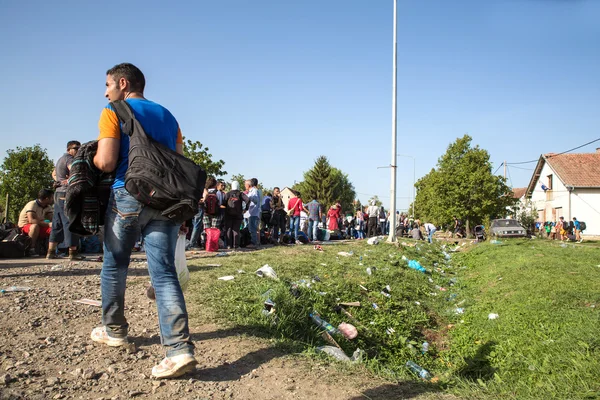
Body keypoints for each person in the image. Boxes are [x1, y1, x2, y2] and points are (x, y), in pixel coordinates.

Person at [91, 63, 196, 378]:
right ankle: (179, 351)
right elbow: (176, 160)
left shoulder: (113, 110)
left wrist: (91, 158)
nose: (106, 90)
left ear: (123, 83)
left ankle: (114, 330)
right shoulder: (169, 117)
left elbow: (107, 161)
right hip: (166, 201)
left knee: (115, 263)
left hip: (128, 194)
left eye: (108, 84)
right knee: (163, 273)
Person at [48, 141, 84, 260]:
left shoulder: (60, 159)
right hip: (66, 193)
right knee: (70, 221)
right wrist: (69, 181)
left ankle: (51, 252)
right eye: (76, 148)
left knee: (57, 223)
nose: (78, 150)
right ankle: (73, 253)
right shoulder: (70, 159)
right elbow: (75, 171)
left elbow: (54, 174)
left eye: (80, 147)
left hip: (58, 193)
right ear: (69, 149)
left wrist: (60, 181)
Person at [17, 189, 54, 256]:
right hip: (25, 226)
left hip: (39, 226)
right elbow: (31, 220)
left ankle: (52, 250)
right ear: (47, 198)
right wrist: (48, 224)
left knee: (55, 229)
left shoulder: (48, 207)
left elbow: (52, 218)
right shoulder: (32, 204)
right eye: (51, 198)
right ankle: (31, 249)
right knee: (35, 226)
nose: (53, 199)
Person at [223, 181, 249, 249]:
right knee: (236, 230)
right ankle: (236, 245)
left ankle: (229, 245)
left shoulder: (228, 194)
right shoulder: (240, 194)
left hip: (228, 214)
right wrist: (246, 208)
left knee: (228, 229)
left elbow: (223, 203)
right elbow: (248, 200)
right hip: (238, 214)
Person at [245, 178, 262, 248]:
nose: (245, 186)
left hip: (254, 212)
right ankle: (255, 242)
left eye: (245, 184)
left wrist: (247, 197)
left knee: (253, 228)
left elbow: (255, 200)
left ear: (249, 185)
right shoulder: (253, 191)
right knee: (252, 228)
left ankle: (254, 243)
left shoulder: (254, 191)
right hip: (252, 212)